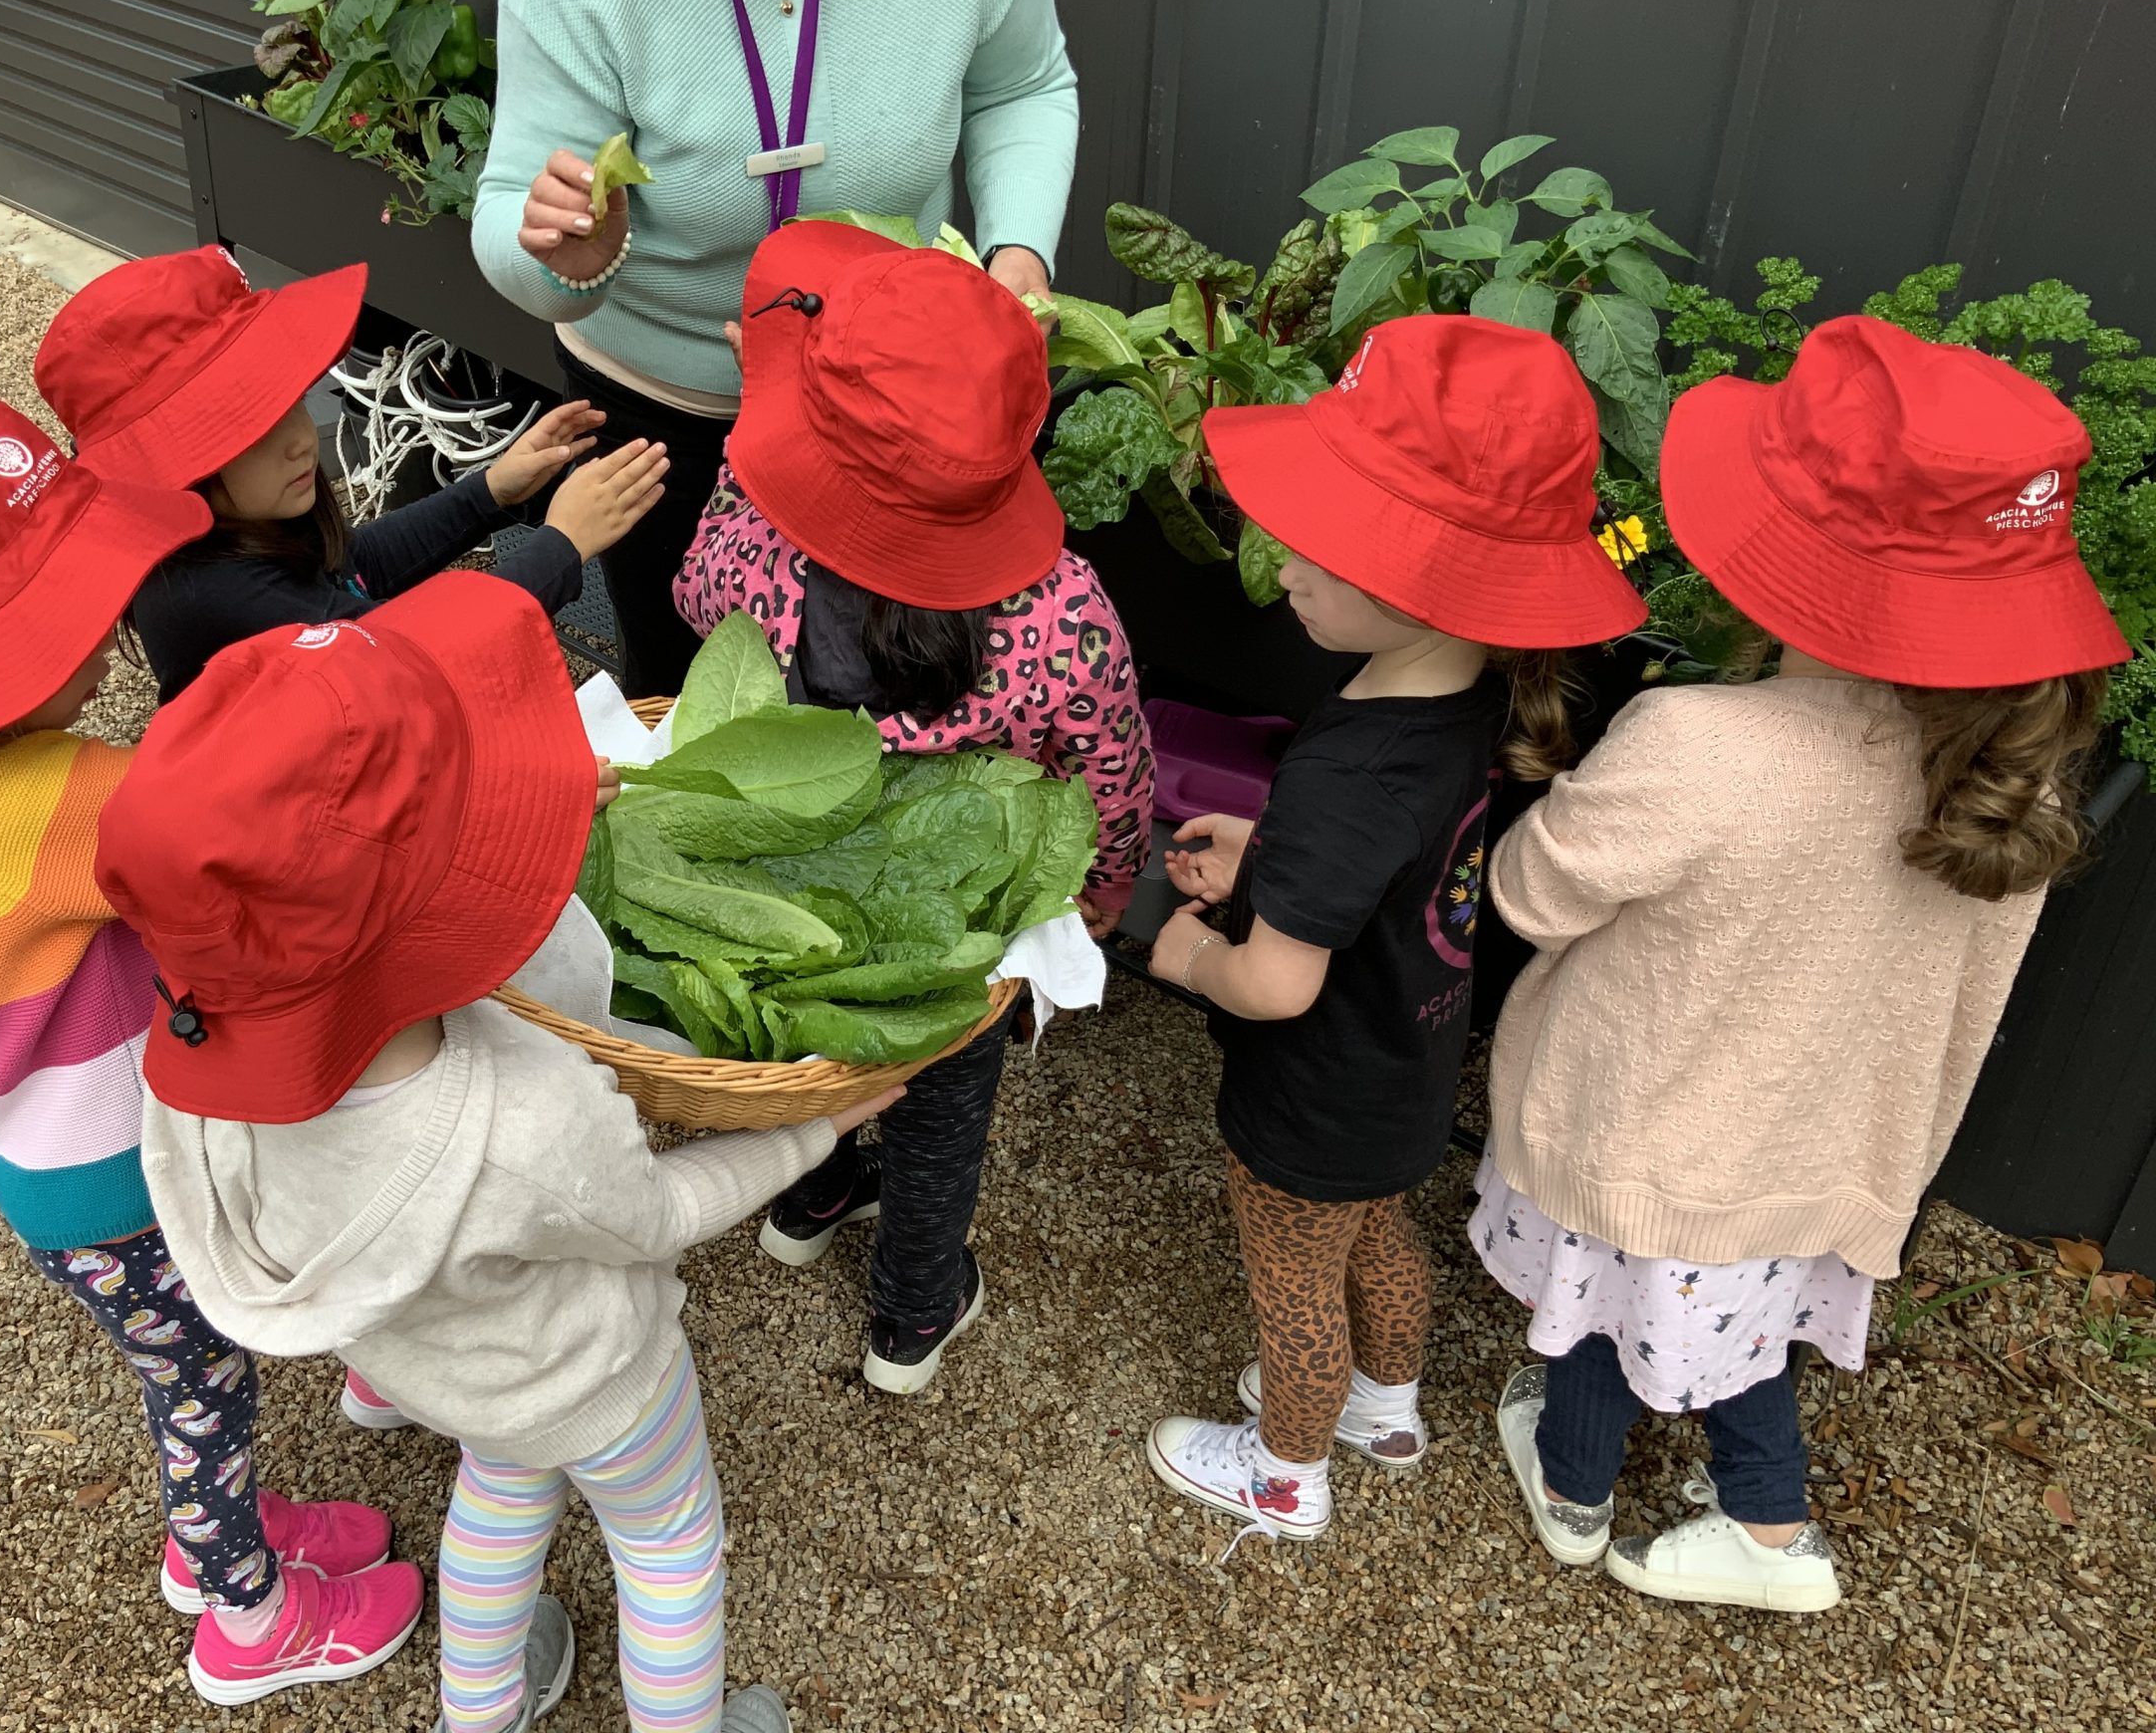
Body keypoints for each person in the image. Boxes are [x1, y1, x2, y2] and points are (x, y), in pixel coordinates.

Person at [98, 569, 887, 1733]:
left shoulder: (194, 1067)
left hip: (447, 1373)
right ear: (435, 908)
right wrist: (825, 1122)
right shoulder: (524, 1119)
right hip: (594, 1378)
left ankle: (483, 1712)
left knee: (499, 1501)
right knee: (668, 1544)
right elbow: (658, 1213)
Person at [0, 400, 424, 1705]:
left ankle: (220, 1542)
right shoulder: (56, 795)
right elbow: (233, 831)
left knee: (186, 1381)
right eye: (67, 616)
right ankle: (246, 1616)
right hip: (123, 1174)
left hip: (54, 1175)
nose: (110, 630)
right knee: (206, 1392)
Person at [1480, 316, 2129, 1612]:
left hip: (1646, 1135)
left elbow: (1529, 892)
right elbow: (1964, 1002)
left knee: (1609, 1304)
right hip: (1819, 1151)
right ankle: (1770, 1537)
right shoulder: (2010, 783)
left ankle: (1571, 1492)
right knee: (1742, 1330)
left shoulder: (1697, 740)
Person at [1141, 318, 1648, 1547]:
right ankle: (1388, 1408)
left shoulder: (1344, 771)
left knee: (1295, 1285)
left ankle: (1283, 1472)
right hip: (1408, 1069)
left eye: (1316, 545)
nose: (1280, 564)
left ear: (1420, 578)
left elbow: (1271, 986)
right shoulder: (1465, 703)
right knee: (1380, 1239)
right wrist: (1274, 860)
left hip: (1312, 1098)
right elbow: (1396, 869)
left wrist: (1171, 944)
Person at [672, 221, 1152, 1392]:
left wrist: (760, 462)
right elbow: (1112, 774)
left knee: (807, 1065)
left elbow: (690, 593)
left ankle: (807, 1197)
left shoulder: (754, 555)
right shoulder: (1062, 612)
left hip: (784, 908)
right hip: (952, 937)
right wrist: (1099, 898)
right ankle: (911, 1319)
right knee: (941, 1113)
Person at [474, 0, 1078, 697]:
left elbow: (1023, 85)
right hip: (668, 420)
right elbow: (506, 216)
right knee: (690, 716)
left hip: (896, 418)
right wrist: (569, 258)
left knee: (911, 719)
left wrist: (1017, 249)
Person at [36, 246, 669, 703]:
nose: (298, 439)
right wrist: (560, 546)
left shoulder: (239, 525)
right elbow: (407, 660)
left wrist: (491, 490)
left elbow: (354, 568)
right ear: (173, 467)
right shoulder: (202, 594)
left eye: (290, 402)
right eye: (248, 428)